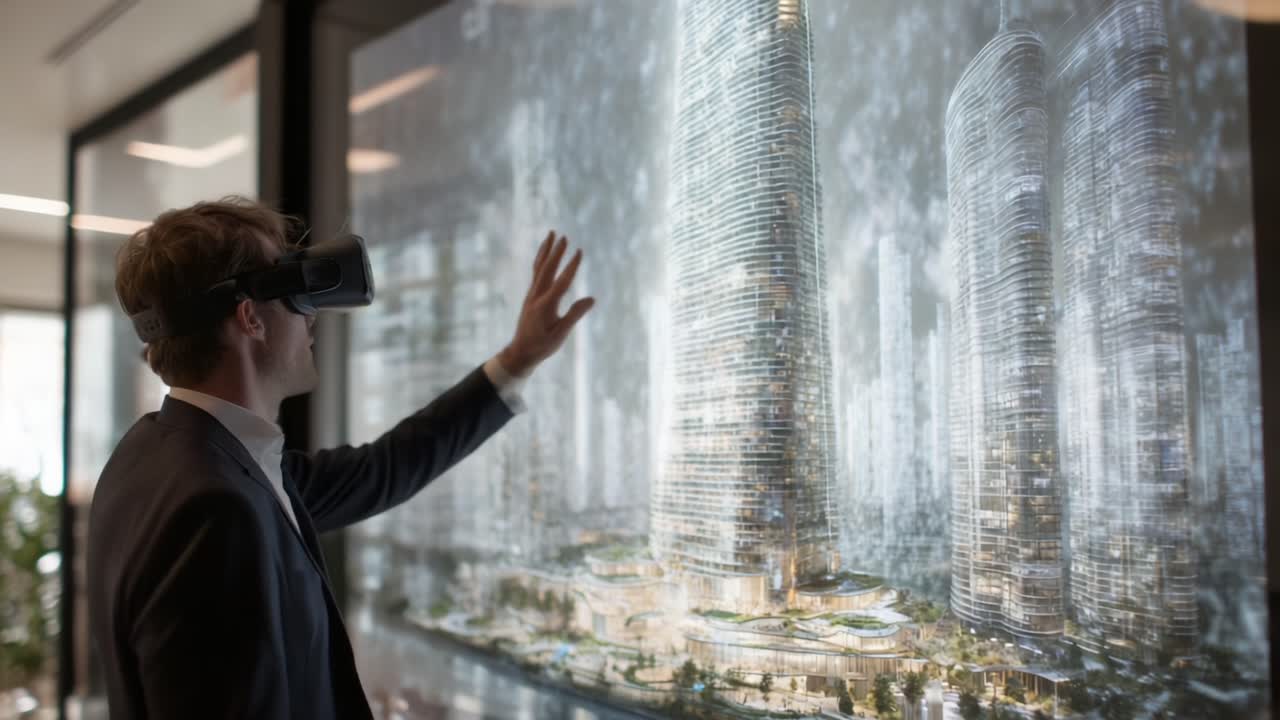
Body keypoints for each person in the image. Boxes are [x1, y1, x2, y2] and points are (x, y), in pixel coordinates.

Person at [86, 196, 594, 719]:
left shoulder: (162, 456)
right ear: (250, 319)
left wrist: (518, 359)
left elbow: (384, 469)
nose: (312, 320)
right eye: (297, 295)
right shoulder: (215, 507)